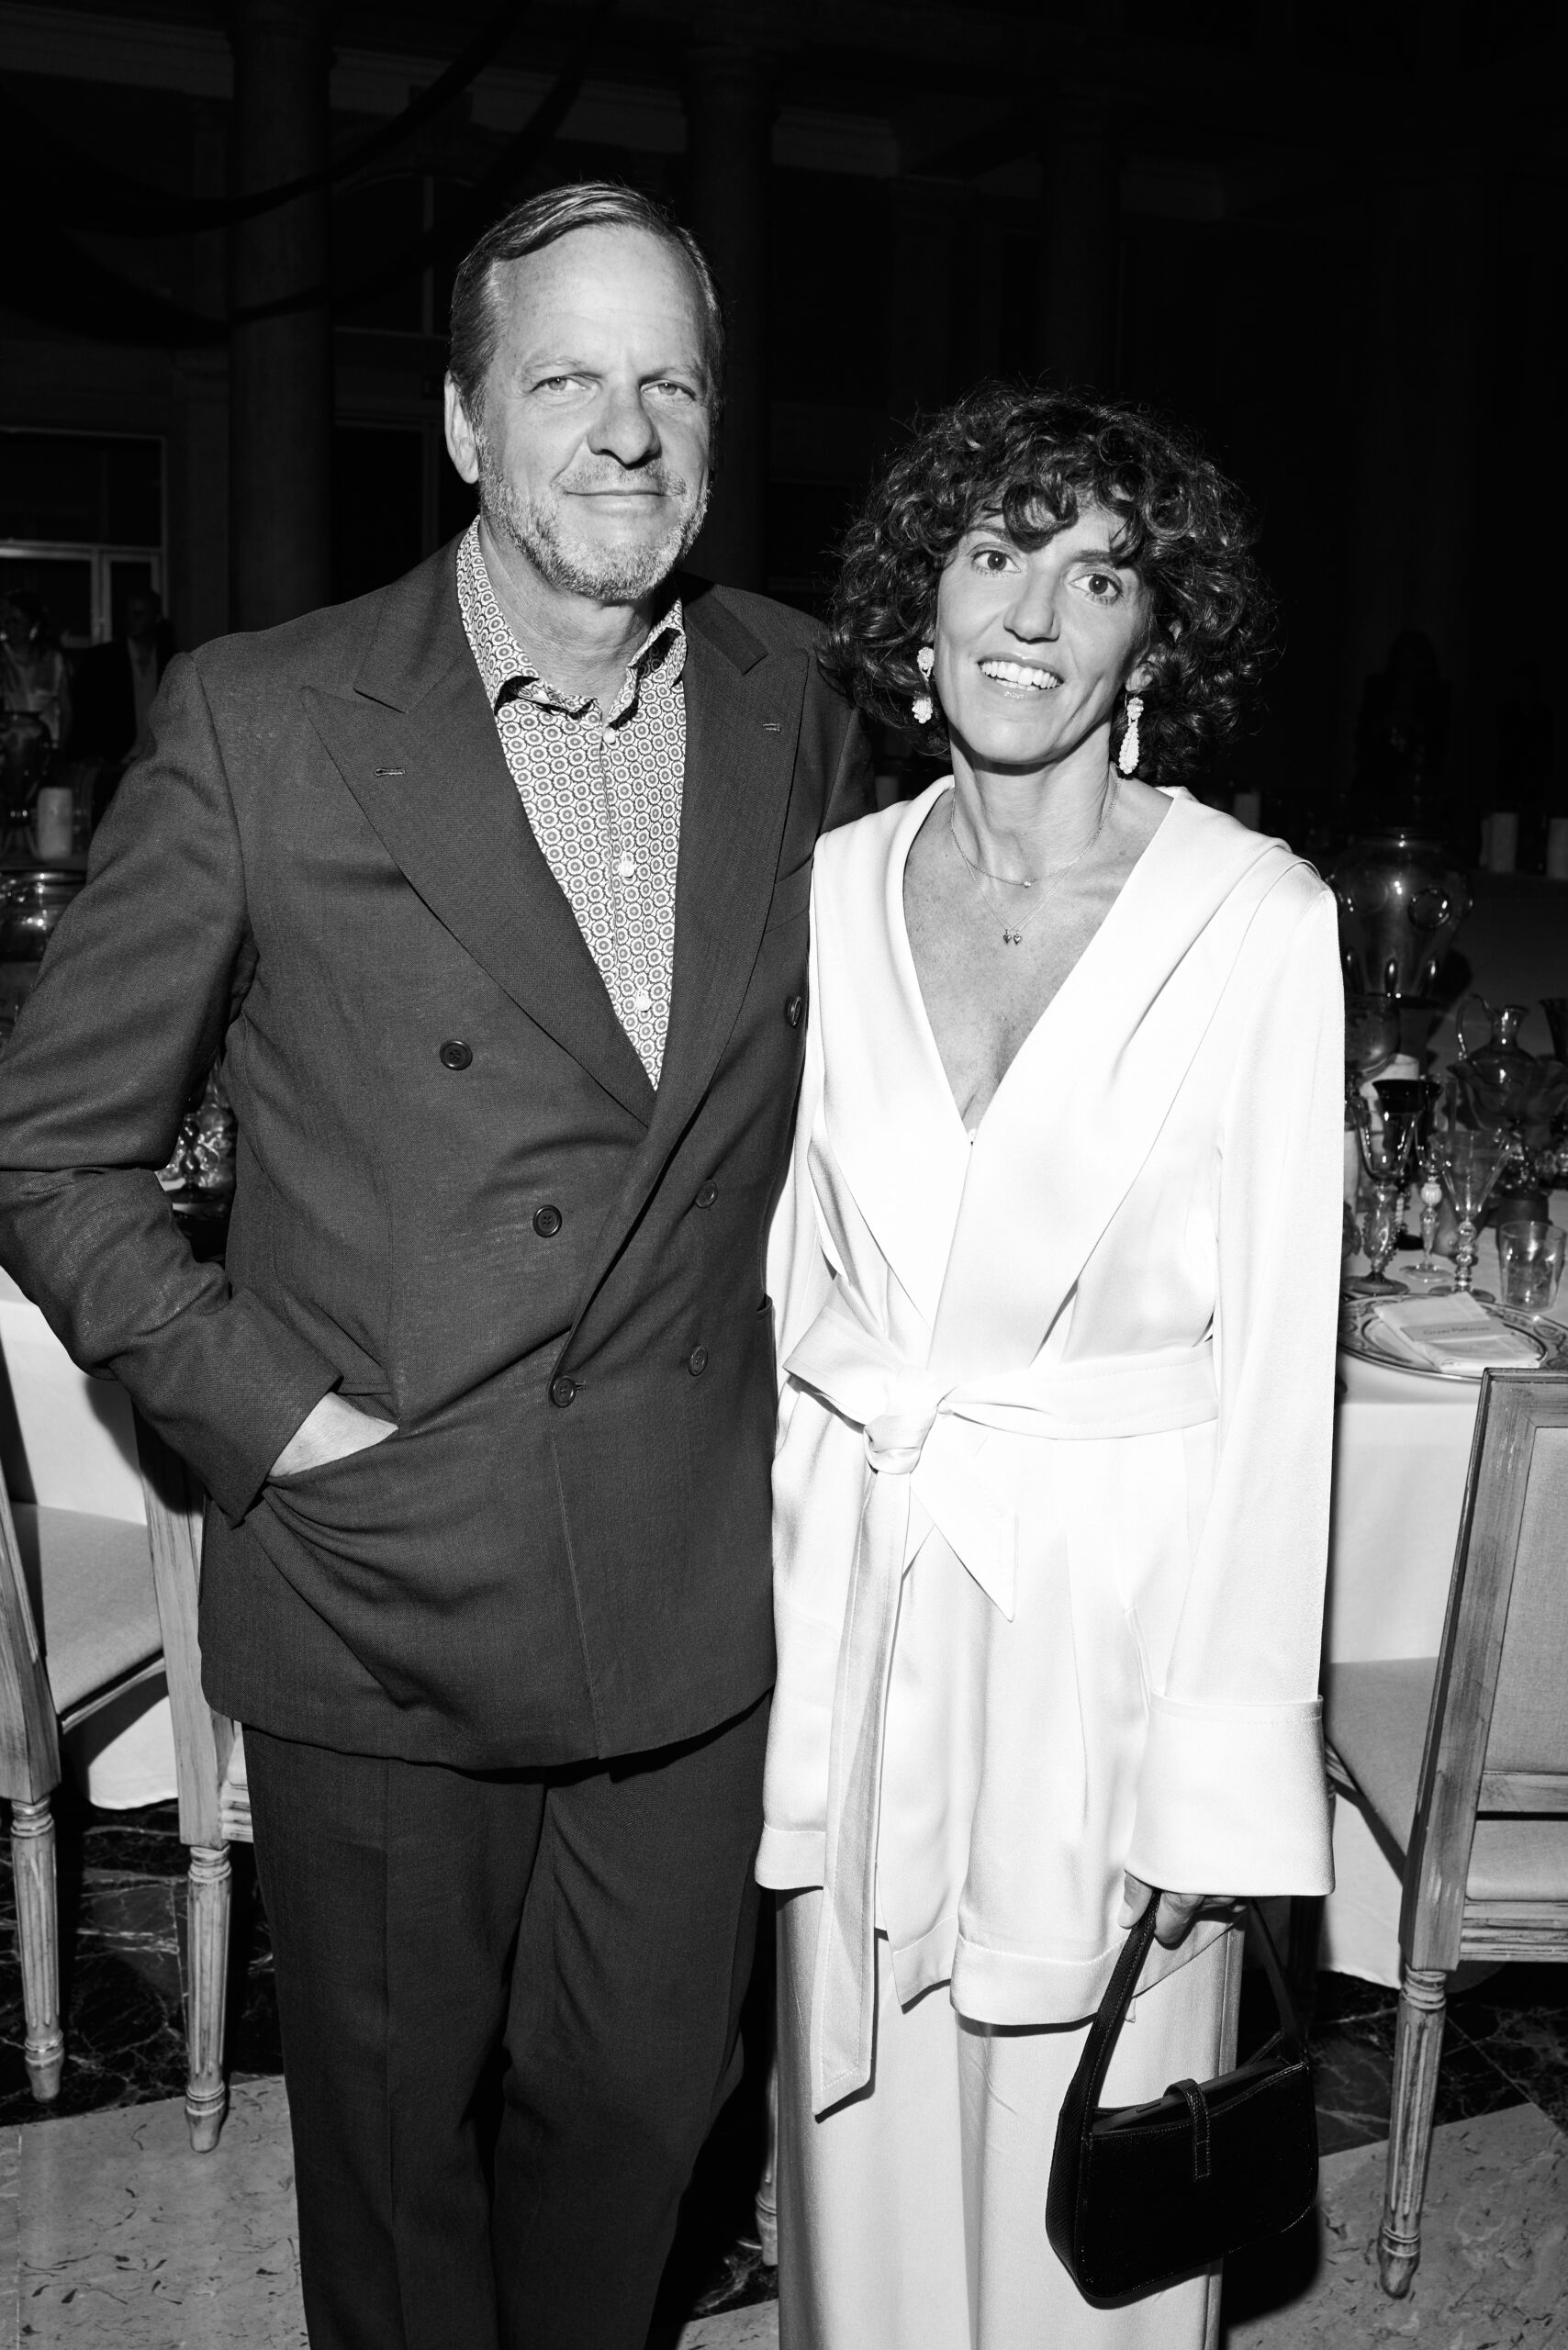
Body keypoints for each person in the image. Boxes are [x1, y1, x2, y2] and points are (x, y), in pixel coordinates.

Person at [0, 182, 870, 2350]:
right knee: (397, 2169)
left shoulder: (802, 697)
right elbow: (51, 1143)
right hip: (382, 1572)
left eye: (668, 380)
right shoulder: (266, 715)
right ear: (469, 425)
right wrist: (272, 1419)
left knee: (647, 2109)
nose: (624, 429)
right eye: (565, 379)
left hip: (688, 1569)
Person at [759, 386, 1342, 2349]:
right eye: (992, 554)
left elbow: (1276, 1393)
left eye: (1095, 577)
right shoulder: (835, 891)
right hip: (866, 1635)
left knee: (1085, 2223)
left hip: (1106, 1661)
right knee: (859, 2204)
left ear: (1152, 643)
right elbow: (784, 1291)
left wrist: (1216, 1791)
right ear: (916, 604)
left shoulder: (1252, 922)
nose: (1028, 612)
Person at [71, 584, 177, 795]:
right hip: (114, 768)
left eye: (138, 614)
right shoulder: (101, 660)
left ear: (156, 618)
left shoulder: (171, 661)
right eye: (128, 613)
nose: (131, 620)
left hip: (159, 770)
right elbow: (85, 715)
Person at [0, 588, 72, 747]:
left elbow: (66, 710)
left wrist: (61, 749)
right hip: (12, 746)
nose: (11, 628)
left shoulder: (53, 660)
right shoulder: (3, 659)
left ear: (32, 624)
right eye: (6, 621)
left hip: (47, 745)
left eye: (16, 621)